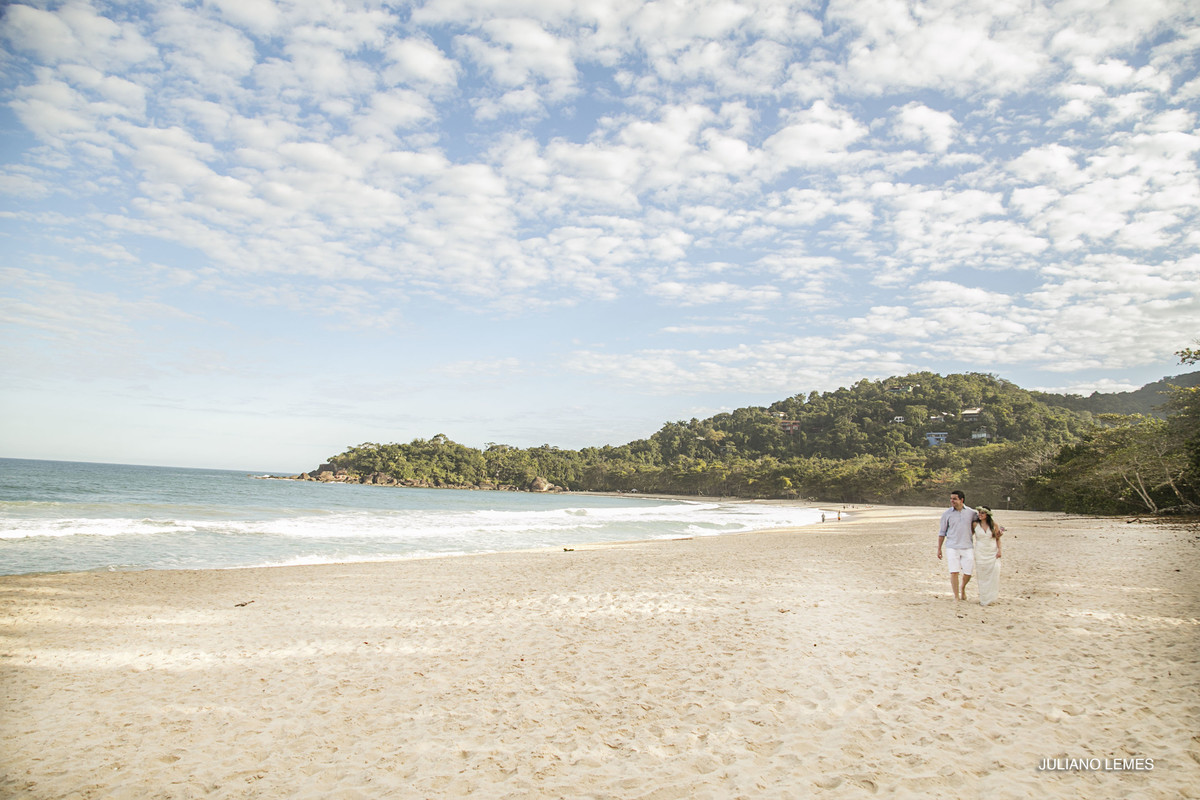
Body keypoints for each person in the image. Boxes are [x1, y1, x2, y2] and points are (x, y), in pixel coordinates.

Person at [937, 490, 978, 601]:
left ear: (961, 500)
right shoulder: (947, 514)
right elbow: (942, 532)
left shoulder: (971, 513)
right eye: (951, 499)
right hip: (952, 546)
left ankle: (962, 588)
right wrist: (939, 549)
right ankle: (956, 596)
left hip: (967, 546)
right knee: (954, 571)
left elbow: (979, 526)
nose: (952, 501)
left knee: (968, 572)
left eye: (954, 499)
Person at [972, 506, 1005, 606]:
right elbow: (969, 535)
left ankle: (991, 598)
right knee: (982, 575)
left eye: (982, 513)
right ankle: (984, 598)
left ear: (987, 514)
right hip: (980, 551)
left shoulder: (994, 525)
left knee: (994, 573)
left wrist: (999, 550)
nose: (980, 515)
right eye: (979, 513)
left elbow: (997, 538)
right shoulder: (975, 524)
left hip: (992, 551)